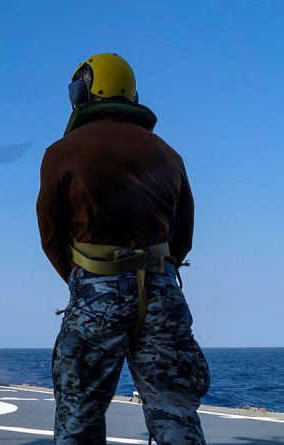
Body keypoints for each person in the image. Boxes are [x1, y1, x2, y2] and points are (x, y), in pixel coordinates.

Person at [36, 52, 209, 444]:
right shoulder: (169, 154)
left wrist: (86, 279)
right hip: (163, 294)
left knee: (78, 417)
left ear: (85, 90)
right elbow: (183, 239)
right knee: (176, 414)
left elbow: (51, 237)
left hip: (96, 293)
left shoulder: (61, 152)